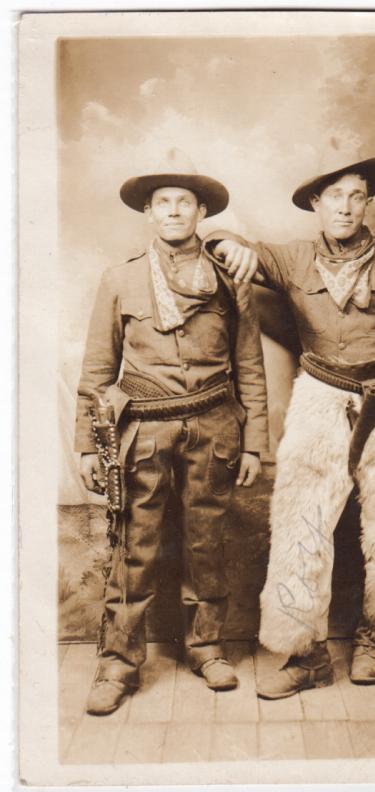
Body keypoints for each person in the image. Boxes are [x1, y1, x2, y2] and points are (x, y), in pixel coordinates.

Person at [205, 154, 375, 698]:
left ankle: (374, 641)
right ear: (316, 204)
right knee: (300, 518)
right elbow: (221, 236)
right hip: (320, 395)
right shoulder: (292, 259)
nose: (344, 206)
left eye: (355, 195)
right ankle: (305, 654)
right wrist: (229, 244)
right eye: (333, 196)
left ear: (367, 203)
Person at [74, 148, 268, 715]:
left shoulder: (229, 280)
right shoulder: (120, 279)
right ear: (150, 214)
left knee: (206, 543)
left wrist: (254, 439)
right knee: (135, 547)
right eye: (164, 203)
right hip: (145, 433)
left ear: (201, 210)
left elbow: (250, 364)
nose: (175, 211)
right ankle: (118, 663)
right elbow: (94, 373)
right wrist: (88, 445)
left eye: (185, 202)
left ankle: (207, 648)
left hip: (213, 425)